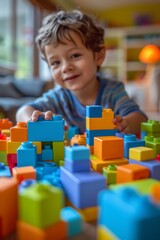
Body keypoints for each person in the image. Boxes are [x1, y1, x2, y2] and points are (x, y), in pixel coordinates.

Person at [16, 10, 147, 134]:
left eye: (75, 56)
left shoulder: (113, 91)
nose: (65, 67)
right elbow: (23, 111)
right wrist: (33, 120)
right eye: (56, 63)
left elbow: (140, 118)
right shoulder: (58, 98)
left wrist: (127, 123)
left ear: (99, 56)